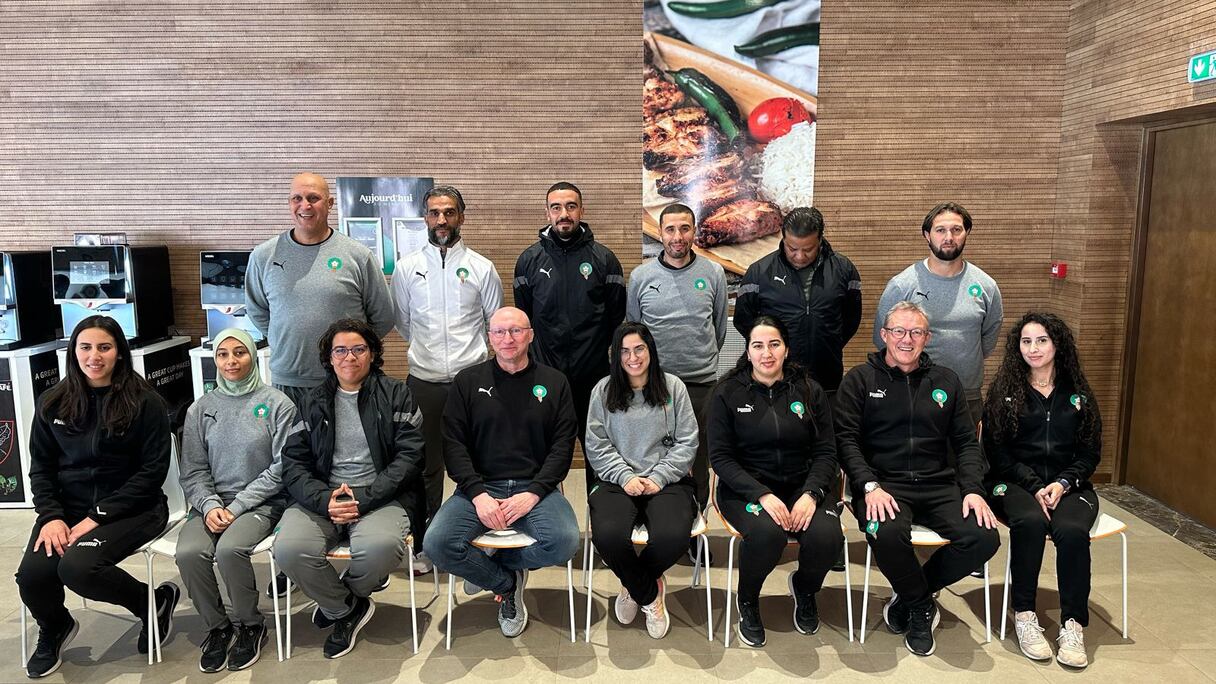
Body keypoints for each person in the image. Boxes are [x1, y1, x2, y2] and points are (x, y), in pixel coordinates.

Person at [17, 316, 178, 679]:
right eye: (85, 347)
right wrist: (51, 517)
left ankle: (152, 602)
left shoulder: (146, 402)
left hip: (135, 508)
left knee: (78, 568)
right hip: (67, 511)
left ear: (119, 352)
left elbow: (151, 474)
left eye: (104, 347)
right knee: (32, 577)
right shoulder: (52, 402)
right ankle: (56, 625)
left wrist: (97, 517)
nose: (94, 356)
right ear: (73, 352)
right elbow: (41, 468)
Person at [836, 301, 1000, 657]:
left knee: (984, 537)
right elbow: (846, 441)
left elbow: (966, 443)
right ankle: (922, 607)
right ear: (884, 335)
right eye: (898, 331)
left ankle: (913, 595)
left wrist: (973, 490)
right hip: (883, 486)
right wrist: (868, 485)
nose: (906, 339)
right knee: (886, 533)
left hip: (939, 485)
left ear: (928, 337)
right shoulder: (860, 380)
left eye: (915, 332)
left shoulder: (946, 381)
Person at [424, 307, 581, 639]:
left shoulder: (555, 382)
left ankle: (496, 565)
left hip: (535, 489)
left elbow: (562, 447)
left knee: (565, 541)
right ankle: (506, 584)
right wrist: (478, 494)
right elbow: (453, 444)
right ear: (489, 337)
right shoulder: (468, 382)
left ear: (530, 335)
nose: (508, 338)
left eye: (516, 331)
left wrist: (533, 493)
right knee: (437, 544)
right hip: (480, 488)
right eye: (499, 332)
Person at [273, 319, 424, 659]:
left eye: (358, 349)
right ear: (329, 357)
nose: (349, 357)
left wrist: (365, 497)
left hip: (381, 496)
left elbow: (410, 457)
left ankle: (339, 599)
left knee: (381, 549)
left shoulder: (396, 394)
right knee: (289, 549)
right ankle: (348, 609)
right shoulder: (311, 401)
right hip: (323, 497)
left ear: (372, 353)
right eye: (340, 350)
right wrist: (324, 499)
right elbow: (293, 463)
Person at [708, 315, 843, 648]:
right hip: (746, 490)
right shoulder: (727, 392)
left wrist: (811, 494)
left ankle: (805, 589)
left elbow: (827, 452)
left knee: (828, 538)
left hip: (803, 487)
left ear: (786, 349)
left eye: (774, 344)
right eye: (758, 346)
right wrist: (762, 494)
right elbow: (721, 459)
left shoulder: (809, 390)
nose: (766, 353)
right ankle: (748, 599)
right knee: (768, 536)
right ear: (748, 352)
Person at [392, 185, 503, 574]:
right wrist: (430, 356)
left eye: (449, 212)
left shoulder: (481, 267)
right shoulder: (406, 268)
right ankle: (427, 544)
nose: (442, 220)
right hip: (424, 381)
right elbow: (403, 323)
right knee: (425, 467)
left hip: (473, 382)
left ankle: (480, 535)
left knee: (481, 461)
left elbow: (494, 323)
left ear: (461, 217)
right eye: (435, 212)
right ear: (425, 218)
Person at [983, 312, 1102, 669]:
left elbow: (1090, 453)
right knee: (1031, 522)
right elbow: (997, 453)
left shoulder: (1078, 394)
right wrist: (1035, 486)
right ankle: (1024, 614)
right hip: (1013, 483)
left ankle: (1072, 624)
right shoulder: (1005, 392)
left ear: (1057, 344)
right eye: (1026, 341)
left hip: (1069, 485)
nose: (1033, 349)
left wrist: (1063, 483)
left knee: (1072, 530)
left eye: (1041, 341)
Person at [176, 328, 296, 672]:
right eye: (223, 354)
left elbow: (282, 469)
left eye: (239, 353)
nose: (231, 361)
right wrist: (210, 505)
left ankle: (251, 625)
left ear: (253, 357)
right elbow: (193, 470)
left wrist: (237, 506)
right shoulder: (200, 409)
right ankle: (218, 627)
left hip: (262, 503)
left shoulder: (278, 404)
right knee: (189, 553)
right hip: (212, 505)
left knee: (230, 549)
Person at [585, 322, 698, 639]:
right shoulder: (603, 391)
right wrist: (625, 476)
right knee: (608, 538)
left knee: (673, 537)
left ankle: (633, 583)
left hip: (667, 481)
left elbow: (687, 441)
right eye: (624, 351)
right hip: (616, 482)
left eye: (639, 349)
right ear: (615, 356)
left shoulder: (673, 387)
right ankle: (649, 594)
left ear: (651, 350)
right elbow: (596, 444)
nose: (632, 358)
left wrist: (659, 477)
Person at [626, 203, 727, 558]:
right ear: (660, 233)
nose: (677, 237)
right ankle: (649, 518)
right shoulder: (641, 277)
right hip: (653, 385)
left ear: (694, 231)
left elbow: (718, 327)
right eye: (670, 229)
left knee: (696, 459)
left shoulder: (713, 273)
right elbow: (634, 330)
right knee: (649, 454)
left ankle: (694, 529)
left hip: (700, 383)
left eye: (685, 228)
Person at [245, 172, 395, 408]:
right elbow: (257, 311)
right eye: (297, 198)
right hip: (289, 381)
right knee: (291, 435)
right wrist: (287, 338)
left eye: (313, 198)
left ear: (330, 203)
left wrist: (351, 353)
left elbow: (383, 316)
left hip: (346, 381)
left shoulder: (358, 256)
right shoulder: (263, 256)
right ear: (289, 203)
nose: (305, 205)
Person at [513, 182, 626, 488]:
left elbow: (616, 319)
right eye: (556, 207)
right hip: (544, 378)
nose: (564, 214)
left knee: (598, 453)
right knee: (543, 454)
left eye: (571, 206)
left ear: (581, 210)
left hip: (593, 378)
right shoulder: (528, 261)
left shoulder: (605, 259)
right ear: (547, 212)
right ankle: (545, 511)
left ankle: (600, 513)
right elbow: (526, 320)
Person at [873, 202, 1003, 425]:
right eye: (941, 230)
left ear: (967, 232)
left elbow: (988, 338)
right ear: (927, 235)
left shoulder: (986, 286)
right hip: (911, 390)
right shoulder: (902, 285)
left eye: (956, 230)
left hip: (967, 392)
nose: (949, 237)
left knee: (966, 448)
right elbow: (882, 339)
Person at [734, 206, 862, 394]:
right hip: (775, 378)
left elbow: (851, 319)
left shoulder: (843, 270)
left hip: (826, 375)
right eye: (792, 248)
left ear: (820, 240)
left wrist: (828, 341)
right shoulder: (759, 272)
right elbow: (744, 321)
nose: (800, 256)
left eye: (808, 249)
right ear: (783, 238)